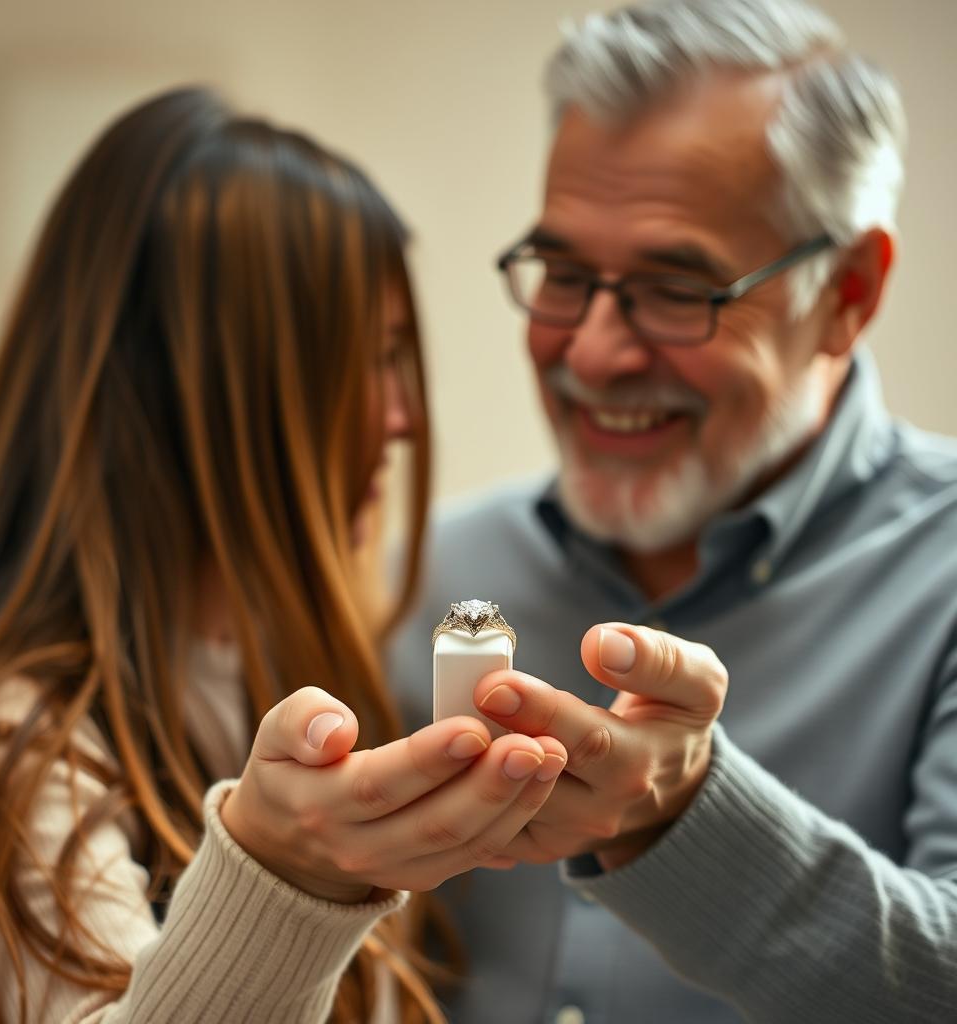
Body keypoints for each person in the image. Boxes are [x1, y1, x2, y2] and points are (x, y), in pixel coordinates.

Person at [0, 86, 578, 1023]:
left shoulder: (293, 670)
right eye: (365, 359)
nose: (400, 421)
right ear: (202, 395)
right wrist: (281, 880)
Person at [389, 0, 957, 1021]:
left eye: (675, 287)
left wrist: (687, 821)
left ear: (848, 293)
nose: (596, 352)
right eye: (563, 275)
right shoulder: (425, 577)